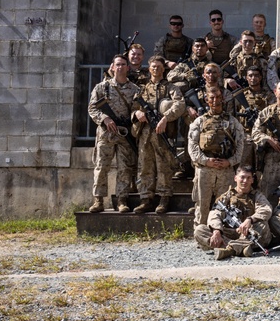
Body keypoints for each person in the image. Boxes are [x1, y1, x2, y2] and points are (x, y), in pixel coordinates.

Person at [131, 55, 184, 214]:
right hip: (145, 132)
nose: (156, 69)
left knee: (164, 167)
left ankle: (164, 198)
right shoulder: (142, 88)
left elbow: (180, 104)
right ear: (149, 68)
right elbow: (133, 108)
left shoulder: (171, 88)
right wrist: (136, 115)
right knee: (145, 167)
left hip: (163, 132)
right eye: (153, 66)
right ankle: (146, 199)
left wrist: (166, 118)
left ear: (164, 69)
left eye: (159, 67)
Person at [88, 55, 140, 213]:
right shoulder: (102, 87)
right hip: (106, 134)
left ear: (128, 67)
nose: (120, 67)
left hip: (124, 135)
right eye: (117, 64)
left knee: (124, 168)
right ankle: (98, 200)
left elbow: (137, 110)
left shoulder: (135, 89)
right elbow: (92, 108)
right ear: (112, 67)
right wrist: (104, 118)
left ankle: (122, 200)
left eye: (123, 64)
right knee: (101, 166)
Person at [188, 88, 245, 226]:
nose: (215, 100)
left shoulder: (232, 122)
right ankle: (201, 234)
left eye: (218, 97)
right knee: (202, 204)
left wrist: (230, 162)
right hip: (205, 168)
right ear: (207, 100)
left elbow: (240, 145)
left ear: (222, 99)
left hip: (225, 168)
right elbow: (192, 146)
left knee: (224, 205)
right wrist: (206, 161)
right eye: (211, 98)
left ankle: (220, 233)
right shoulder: (199, 121)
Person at [193, 166, 272, 260]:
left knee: (263, 226)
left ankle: (229, 249)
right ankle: (241, 248)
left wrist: (250, 220)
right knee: (200, 230)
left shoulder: (257, 196)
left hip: (248, 233)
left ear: (252, 180)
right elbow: (215, 212)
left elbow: (266, 210)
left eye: (248, 178)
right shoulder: (227, 196)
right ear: (235, 178)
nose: (245, 181)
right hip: (229, 232)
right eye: (242, 177)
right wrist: (217, 230)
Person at [233, 65, 274, 169]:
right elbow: (233, 115)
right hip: (245, 135)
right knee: (244, 167)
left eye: (256, 75)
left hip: (262, 135)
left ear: (260, 77)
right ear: (246, 77)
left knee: (261, 168)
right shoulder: (240, 95)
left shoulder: (268, 96)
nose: (253, 78)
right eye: (250, 75)